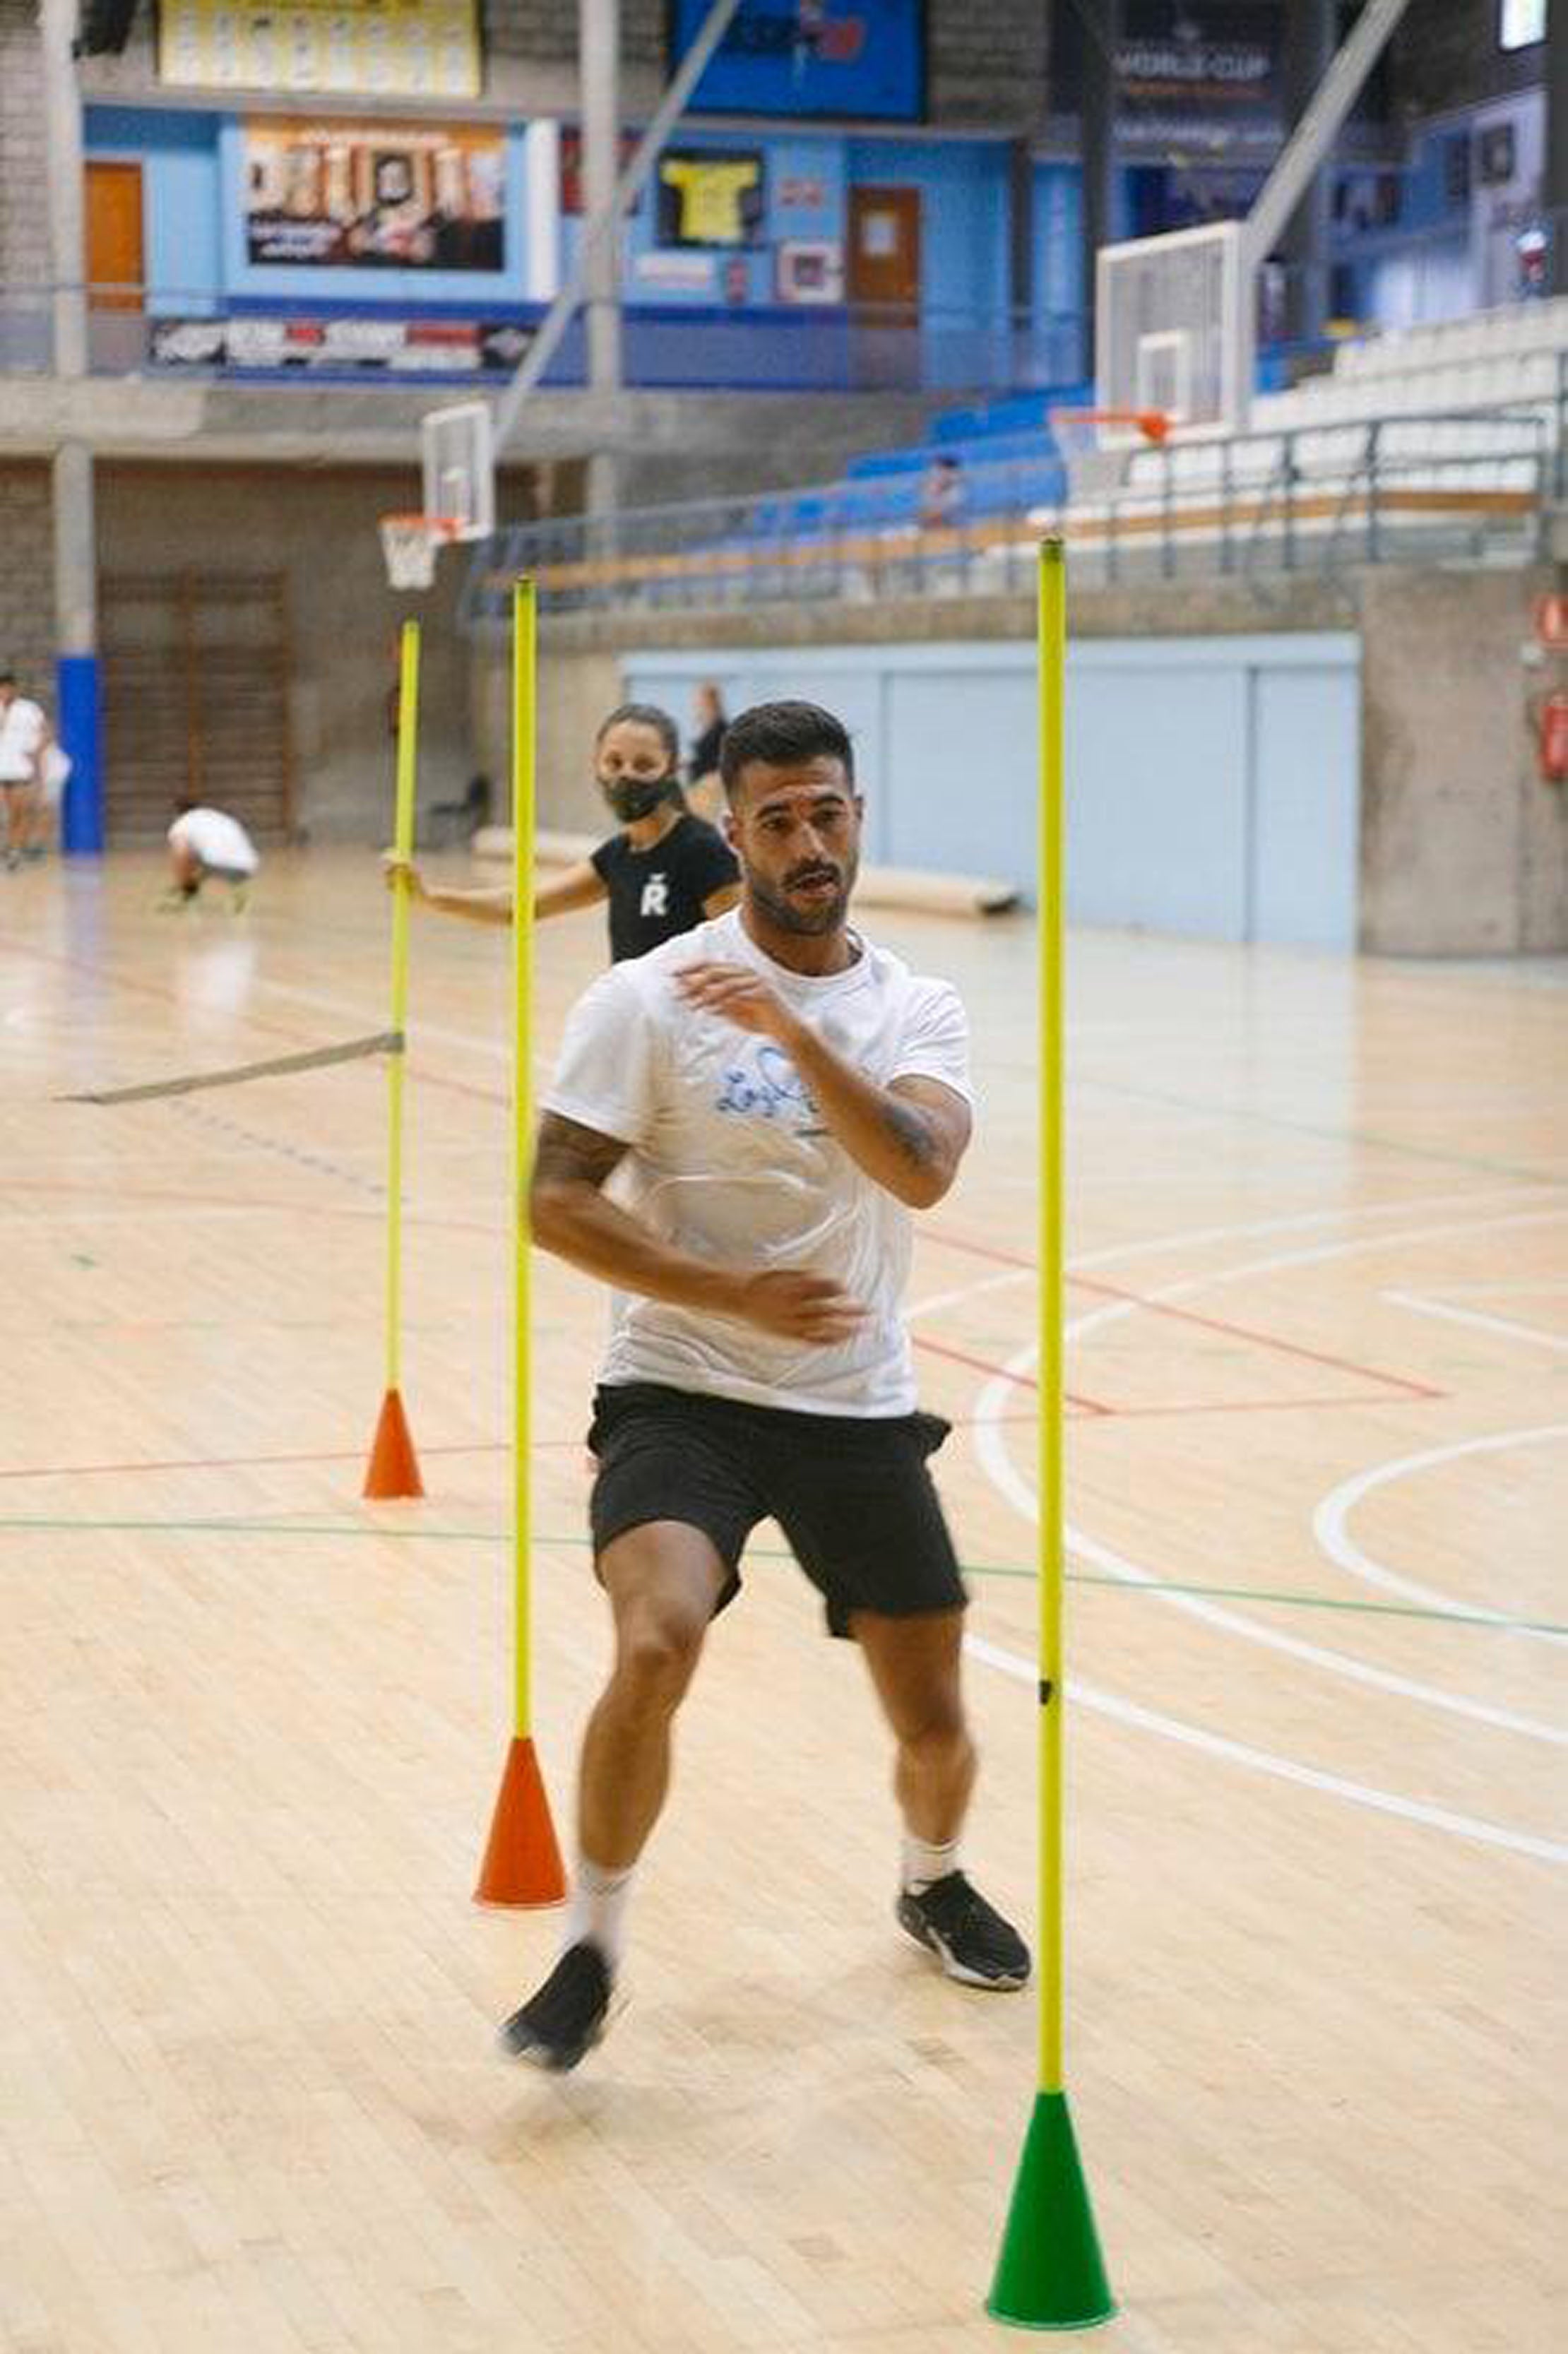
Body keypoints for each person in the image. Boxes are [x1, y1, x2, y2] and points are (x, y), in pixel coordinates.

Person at [498, 698, 1029, 2074]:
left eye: (829, 813)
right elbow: (551, 1200)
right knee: (656, 1641)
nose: (808, 841)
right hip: (683, 1387)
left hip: (854, 1400)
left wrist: (800, 1039)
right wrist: (725, 1292)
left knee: (935, 1717)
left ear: (859, 817)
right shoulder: (646, 994)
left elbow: (922, 1164)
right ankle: (590, 1945)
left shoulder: (918, 1002)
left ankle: (931, 1876)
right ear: (732, 830)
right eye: (778, 818)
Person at [390, 703, 740, 961]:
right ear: (596, 766)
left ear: (671, 769)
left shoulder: (701, 850)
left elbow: (741, 952)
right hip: (634, 1028)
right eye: (614, 762)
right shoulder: (617, 856)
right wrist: (431, 897)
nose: (626, 775)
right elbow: (520, 907)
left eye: (644, 765)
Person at [162, 798, 259, 910]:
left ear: (178, 814)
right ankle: (239, 886)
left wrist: (184, 882)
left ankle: (188, 896)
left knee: (184, 856)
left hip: (216, 864)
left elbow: (182, 853)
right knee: (207, 855)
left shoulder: (181, 824)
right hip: (248, 866)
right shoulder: (218, 817)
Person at [0, 668, 52, 869]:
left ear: (14, 688)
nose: (4, 692)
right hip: (2, 767)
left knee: (21, 810)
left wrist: (37, 752)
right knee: (10, 812)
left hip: (21, 768)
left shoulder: (29, 708)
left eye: (7, 688)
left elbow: (47, 732)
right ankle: (13, 846)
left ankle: (15, 851)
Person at [684, 682, 727, 823]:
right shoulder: (707, 727)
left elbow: (720, 761)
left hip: (709, 790)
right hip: (699, 787)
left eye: (700, 702)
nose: (696, 706)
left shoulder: (721, 729)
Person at [918, 453, 966, 530]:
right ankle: (934, 523)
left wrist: (939, 488)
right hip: (941, 500)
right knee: (928, 511)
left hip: (950, 500)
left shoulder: (954, 475)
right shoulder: (935, 474)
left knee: (939, 510)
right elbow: (927, 486)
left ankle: (945, 522)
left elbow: (946, 484)